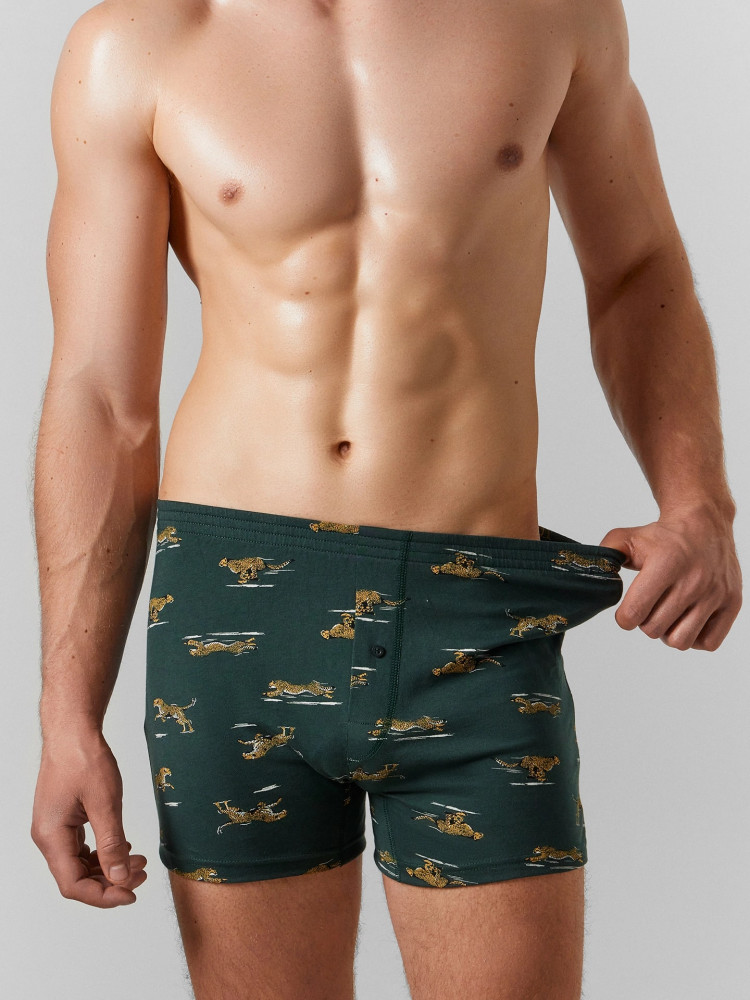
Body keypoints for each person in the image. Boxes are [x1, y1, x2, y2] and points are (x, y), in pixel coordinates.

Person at [30, 1, 741, 998]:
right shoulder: (139, 43)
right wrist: (67, 714)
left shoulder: (552, 14)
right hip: (235, 624)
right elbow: (103, 399)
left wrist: (700, 500)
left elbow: (635, 268)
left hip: (474, 613)